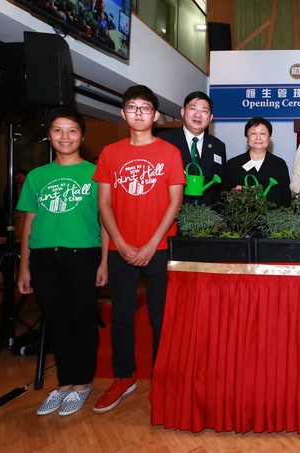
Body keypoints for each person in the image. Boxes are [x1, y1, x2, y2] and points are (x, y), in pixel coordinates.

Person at [92, 85, 185, 413]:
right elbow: (103, 203)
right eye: (133, 107)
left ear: (156, 115)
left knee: (160, 318)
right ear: (123, 113)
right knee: (121, 317)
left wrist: (149, 245)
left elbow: (175, 202)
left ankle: (160, 378)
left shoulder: (169, 153)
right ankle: (123, 376)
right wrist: (119, 243)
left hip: (158, 248)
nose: (139, 113)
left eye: (146, 108)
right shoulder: (109, 153)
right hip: (120, 248)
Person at [17, 108, 108, 416]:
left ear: (82, 136)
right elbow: (29, 223)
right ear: (50, 135)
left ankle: (82, 384)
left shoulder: (96, 175)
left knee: (83, 320)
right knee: (56, 322)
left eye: (71, 131)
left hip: (83, 256)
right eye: (58, 130)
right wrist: (24, 267)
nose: (65, 137)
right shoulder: (36, 176)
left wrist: (104, 262)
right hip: (44, 258)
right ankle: (64, 382)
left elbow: (106, 222)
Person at [158, 91, 227, 207]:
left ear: (210, 118)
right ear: (183, 112)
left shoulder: (218, 146)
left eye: (204, 111)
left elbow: (220, 183)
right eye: (193, 109)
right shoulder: (164, 140)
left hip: (208, 218)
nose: (198, 115)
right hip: (173, 214)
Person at [224, 117, 292, 209]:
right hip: (241, 220)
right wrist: (234, 193)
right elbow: (223, 197)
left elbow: (286, 200)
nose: (258, 138)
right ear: (247, 137)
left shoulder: (279, 164)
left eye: (263, 133)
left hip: (272, 220)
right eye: (253, 133)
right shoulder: (233, 164)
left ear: (269, 137)